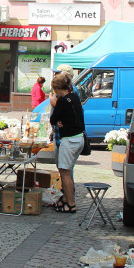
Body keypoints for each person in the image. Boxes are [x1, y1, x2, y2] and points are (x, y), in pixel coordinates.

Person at [49, 73, 85, 213]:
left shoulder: (63, 101)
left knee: (65, 172)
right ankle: (65, 198)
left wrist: (55, 106)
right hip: (79, 138)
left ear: (58, 89)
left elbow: (53, 119)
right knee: (67, 170)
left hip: (69, 140)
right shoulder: (75, 97)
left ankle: (71, 203)